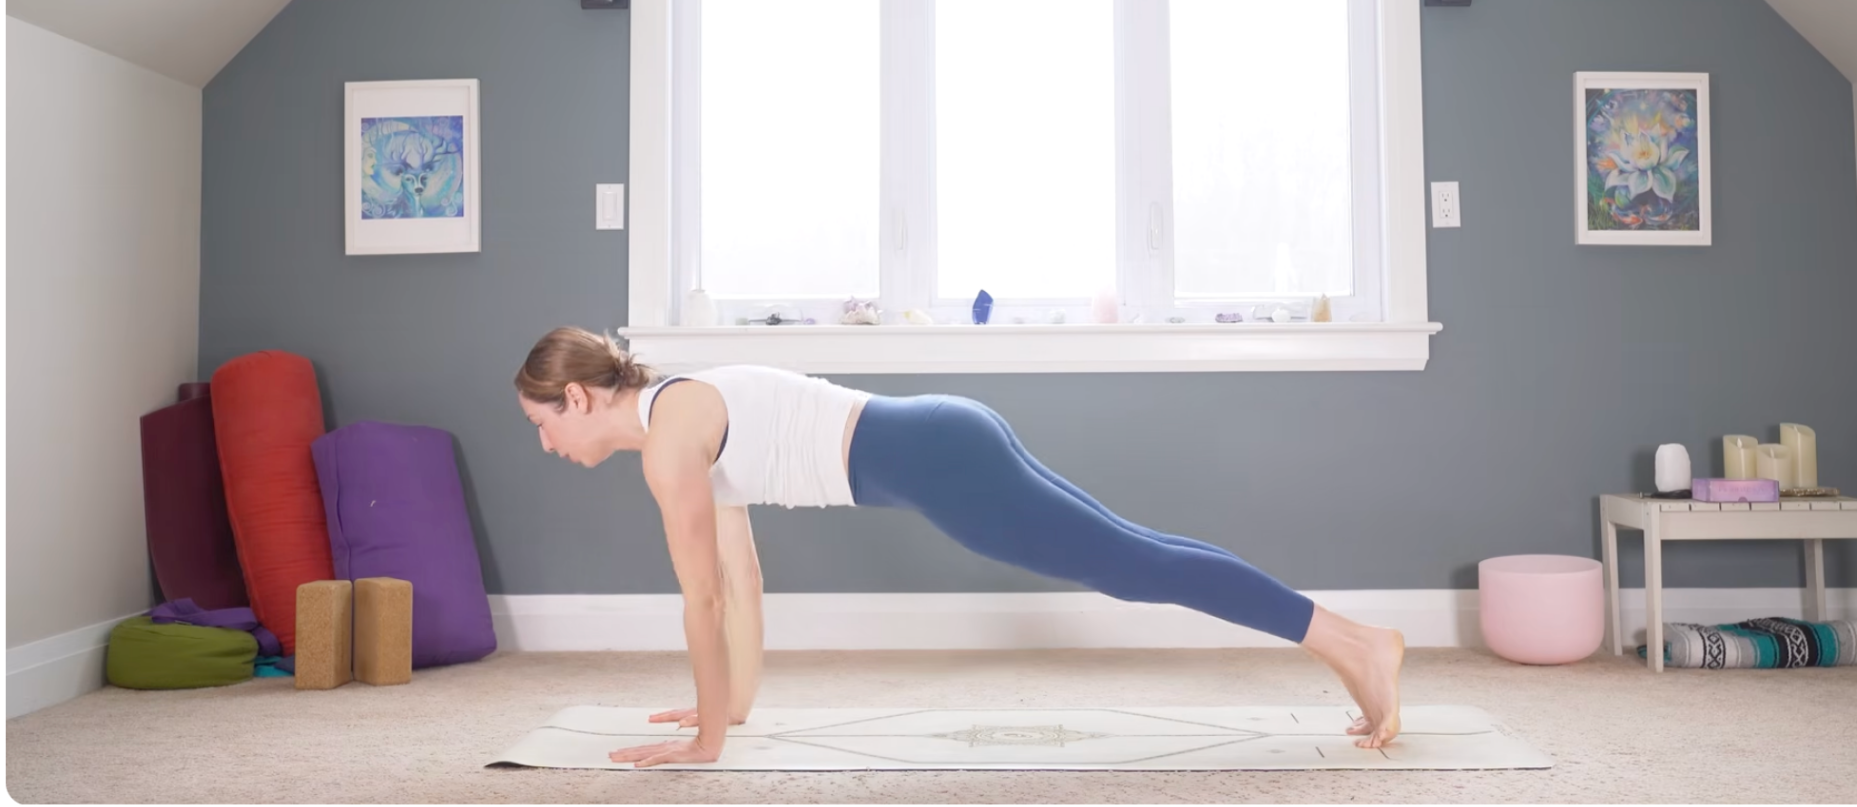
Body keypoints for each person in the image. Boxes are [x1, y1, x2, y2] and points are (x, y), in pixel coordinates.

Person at [515, 327, 1404, 769]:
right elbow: (741, 580)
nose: (545, 447)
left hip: (939, 463)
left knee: (1135, 567)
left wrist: (706, 741)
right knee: (1137, 553)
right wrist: (731, 712)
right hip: (946, 437)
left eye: (542, 425)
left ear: (581, 400)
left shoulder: (671, 444)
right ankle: (1351, 641)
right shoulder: (679, 414)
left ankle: (1354, 643)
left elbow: (702, 598)